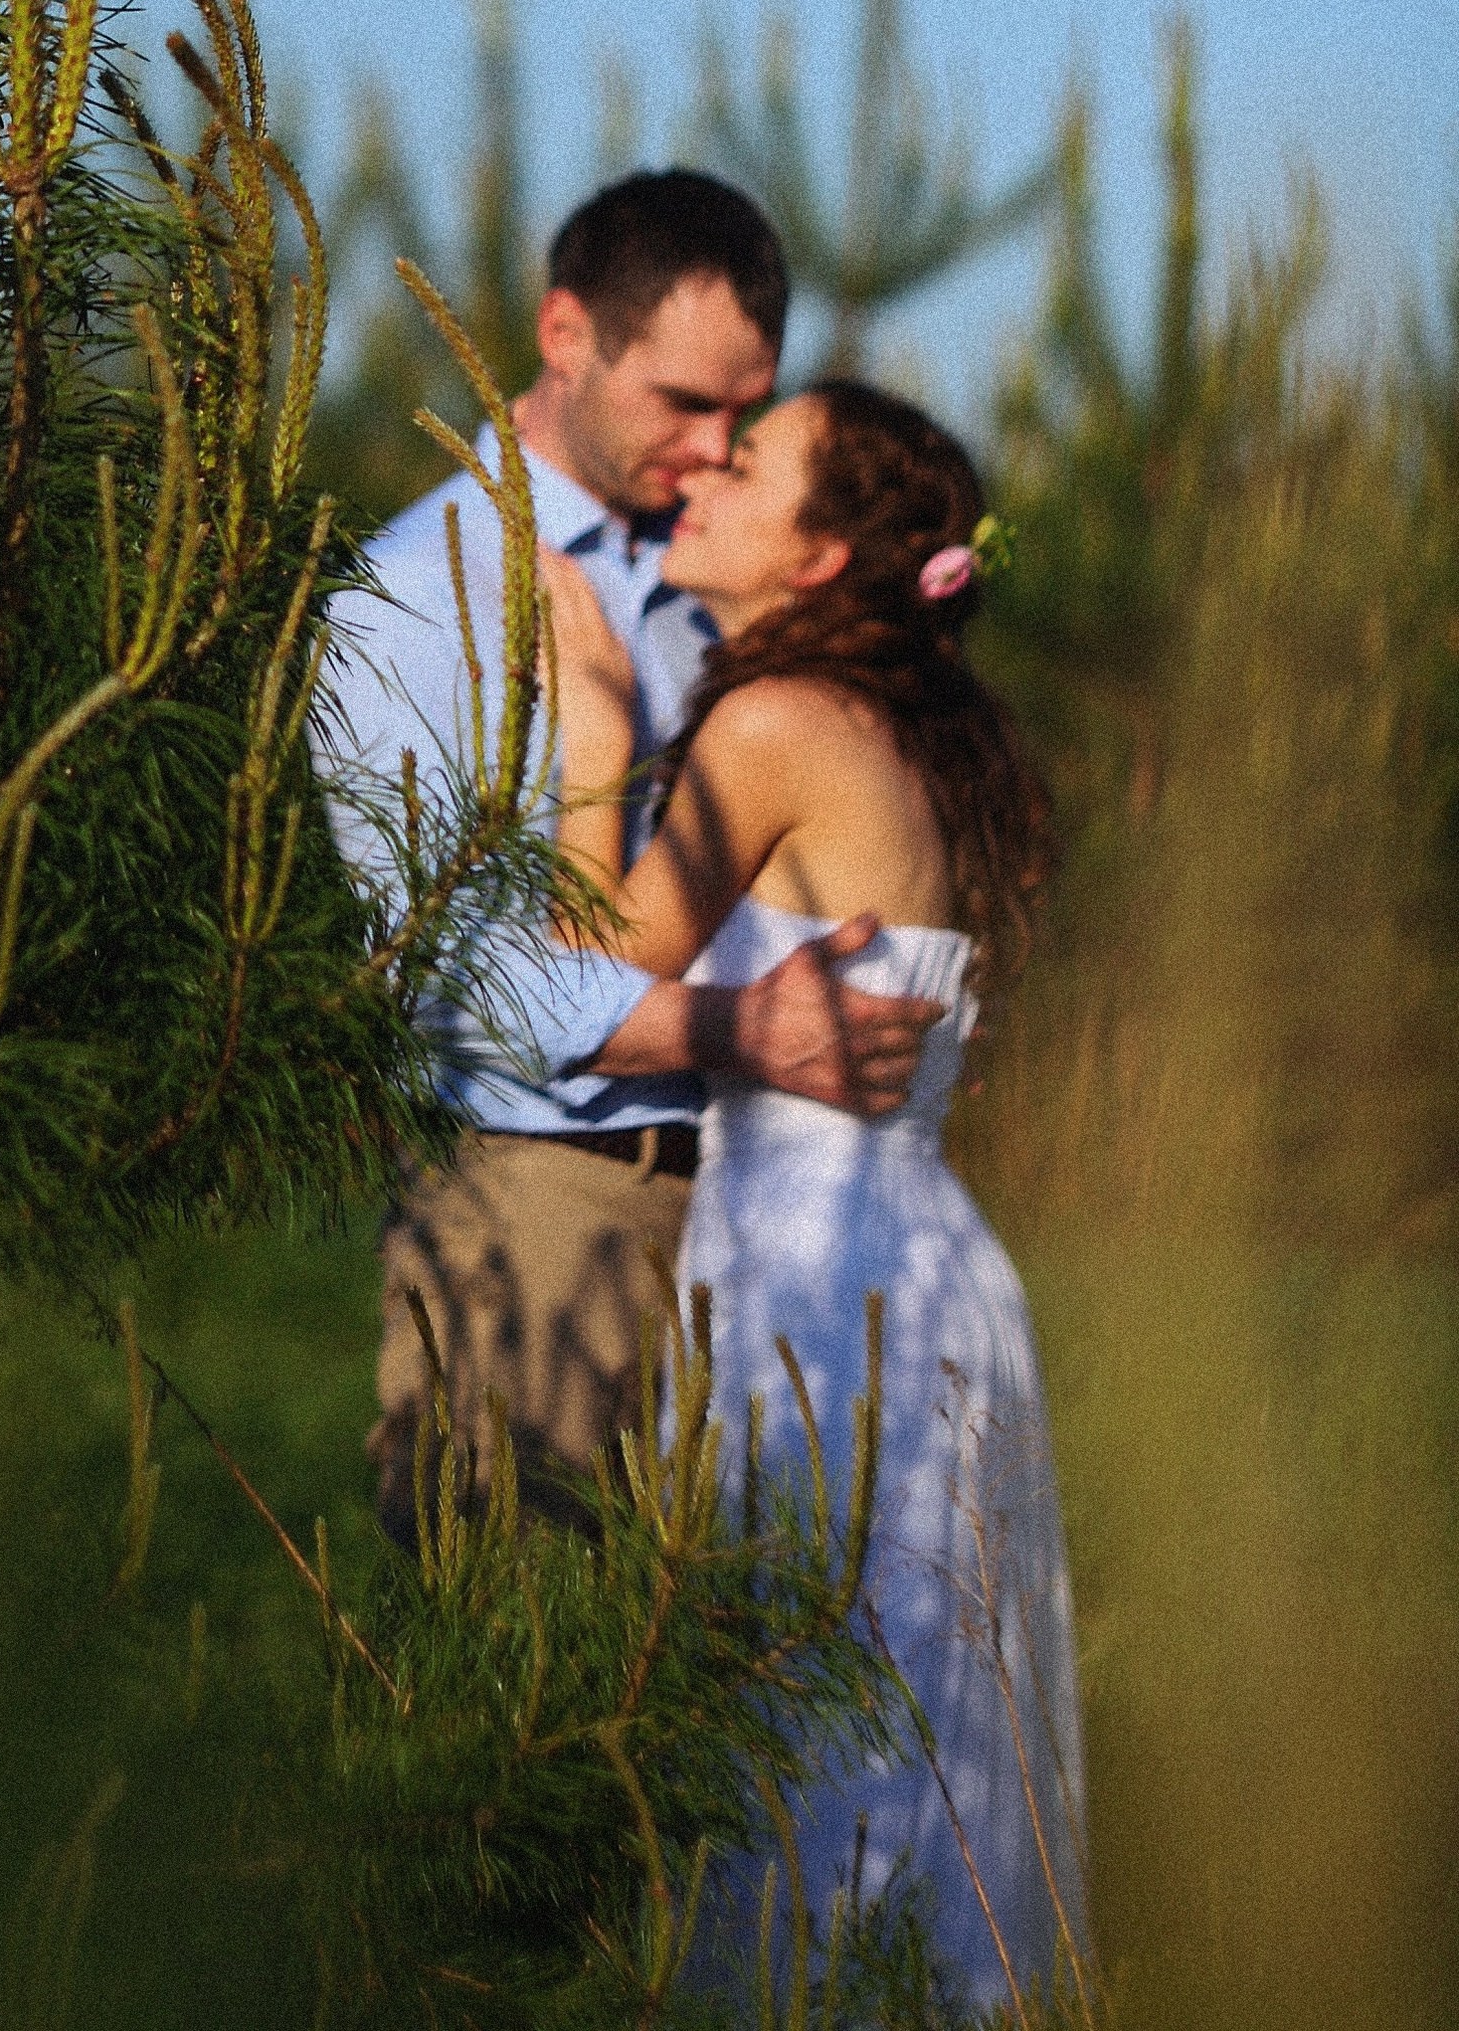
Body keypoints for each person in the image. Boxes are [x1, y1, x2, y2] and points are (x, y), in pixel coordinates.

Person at [543, 379, 1087, 2009]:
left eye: (752, 460)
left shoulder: (771, 729)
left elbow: (585, 965)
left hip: (814, 1282)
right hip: (922, 1266)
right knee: (924, 1717)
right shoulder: (906, 737)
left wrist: (586, 731)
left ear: (821, 551)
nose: (707, 470)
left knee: (816, 1712)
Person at [324, 171, 946, 1548]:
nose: (719, 449)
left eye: (745, 412)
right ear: (566, 337)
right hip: (539, 1209)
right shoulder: (415, 600)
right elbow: (447, 969)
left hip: (749, 1226)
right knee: (516, 1665)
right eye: (685, 405)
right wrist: (741, 1028)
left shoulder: (727, 571)